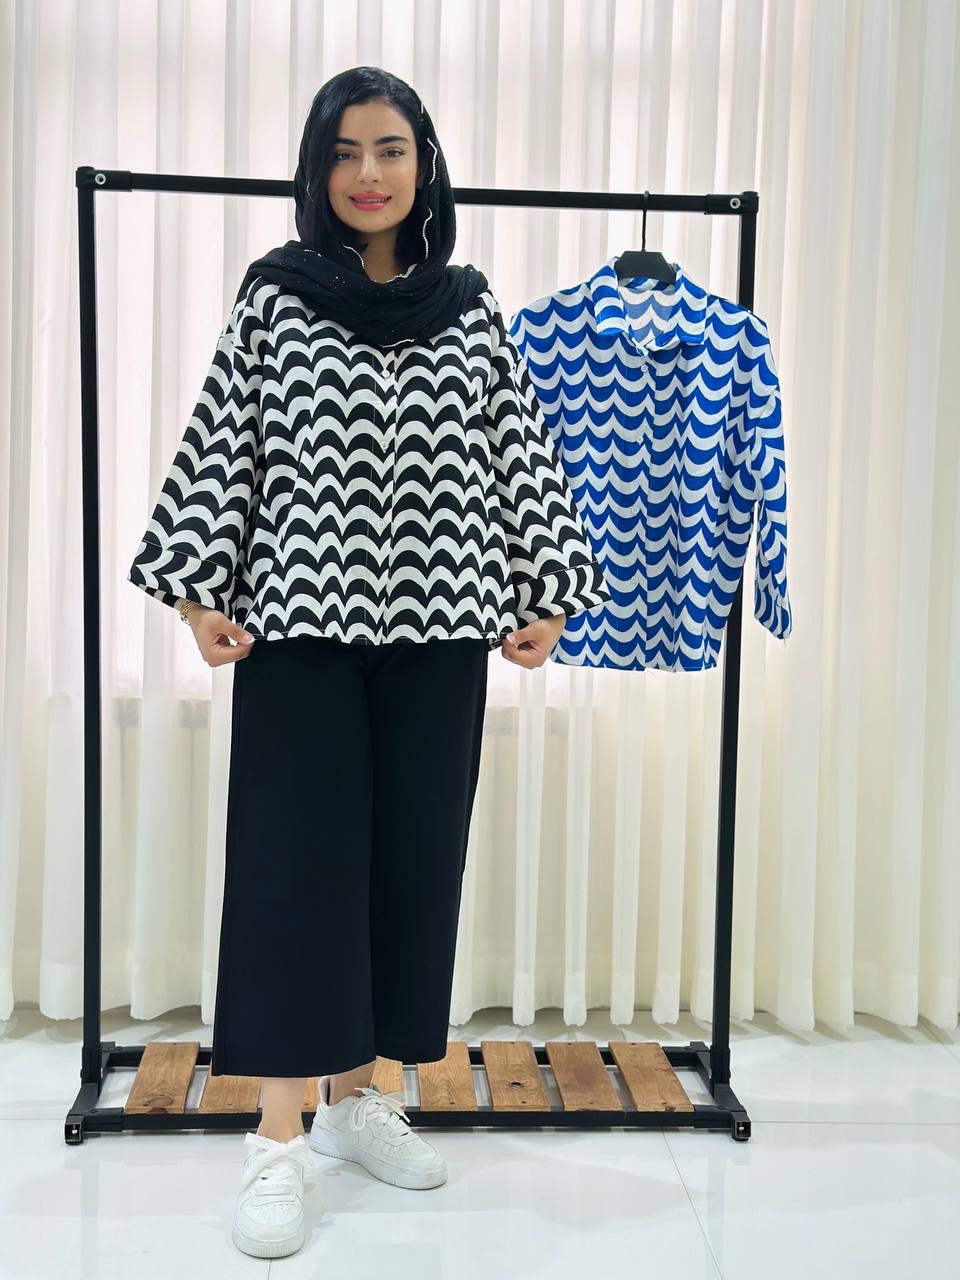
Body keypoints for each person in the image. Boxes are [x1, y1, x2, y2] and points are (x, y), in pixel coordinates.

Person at [127, 65, 612, 1259]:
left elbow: (517, 446)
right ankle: (275, 1138)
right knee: (295, 877)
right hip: (300, 630)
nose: (368, 174)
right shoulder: (277, 297)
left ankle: (358, 1099)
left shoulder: (468, 308)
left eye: (389, 149)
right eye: (344, 152)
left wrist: (549, 589)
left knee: (409, 867)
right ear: (316, 169)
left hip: (439, 634)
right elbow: (225, 436)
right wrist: (195, 591)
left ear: (422, 164)